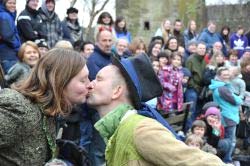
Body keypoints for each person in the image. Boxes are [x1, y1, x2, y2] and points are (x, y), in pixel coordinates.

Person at [86, 53, 231, 166]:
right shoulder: (117, 131)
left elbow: (195, 161)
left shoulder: (141, 129)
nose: (90, 84)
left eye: (98, 79)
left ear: (116, 91)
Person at [0, 48, 90, 165]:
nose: (90, 84)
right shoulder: (17, 108)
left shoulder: (49, 111)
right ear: (60, 81)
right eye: (83, 80)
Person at [209, 67, 243, 163]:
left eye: (227, 74)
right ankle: (227, 160)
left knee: (226, 139)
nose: (226, 76)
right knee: (231, 141)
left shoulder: (219, 86)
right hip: (229, 116)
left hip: (225, 115)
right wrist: (240, 98)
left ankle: (225, 159)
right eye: (224, 75)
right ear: (219, 76)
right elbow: (236, 100)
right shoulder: (222, 88)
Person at [0, 0, 21, 74]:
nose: (13, 5)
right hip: (8, 54)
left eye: (14, 3)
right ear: (4, 4)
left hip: (7, 53)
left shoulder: (8, 15)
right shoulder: (5, 16)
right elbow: (7, 36)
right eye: (10, 3)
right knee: (13, 78)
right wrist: (17, 46)